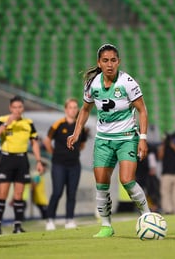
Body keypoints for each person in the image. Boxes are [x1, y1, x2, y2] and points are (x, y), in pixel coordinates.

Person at [66, 43, 150, 238]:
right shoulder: (92, 84)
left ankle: (147, 216)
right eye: (105, 60)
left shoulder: (128, 82)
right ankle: (106, 226)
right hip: (103, 140)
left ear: (118, 61)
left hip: (127, 137)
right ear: (99, 63)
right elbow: (85, 110)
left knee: (127, 180)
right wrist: (76, 133)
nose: (110, 64)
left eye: (113, 60)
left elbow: (142, 110)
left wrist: (143, 139)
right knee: (101, 184)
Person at [0, 95, 44, 235]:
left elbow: (34, 142)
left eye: (20, 107)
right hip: (7, 159)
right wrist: (7, 124)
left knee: (19, 194)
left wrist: (38, 161)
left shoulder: (28, 123)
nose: (17, 110)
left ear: (23, 108)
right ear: (10, 108)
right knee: (3, 193)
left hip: (22, 159)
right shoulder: (2, 120)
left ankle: (17, 226)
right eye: (14, 107)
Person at [43, 98, 88, 230]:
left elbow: (83, 143)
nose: (73, 110)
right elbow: (47, 141)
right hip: (59, 164)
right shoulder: (58, 124)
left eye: (75, 107)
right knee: (57, 192)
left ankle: (69, 219)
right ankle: (50, 219)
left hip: (74, 165)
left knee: (72, 193)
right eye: (70, 107)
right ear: (65, 109)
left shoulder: (80, 127)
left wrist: (74, 152)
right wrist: (54, 153)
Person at [158, 131, 175, 215]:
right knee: (165, 193)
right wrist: (164, 144)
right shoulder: (164, 146)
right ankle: (168, 210)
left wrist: (173, 146)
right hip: (166, 173)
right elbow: (159, 156)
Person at [136, 143, 160, 212]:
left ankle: (154, 207)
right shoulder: (136, 150)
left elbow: (152, 167)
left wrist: (152, 170)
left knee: (152, 192)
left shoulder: (150, 151)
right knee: (140, 192)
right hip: (140, 174)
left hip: (148, 175)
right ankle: (142, 208)